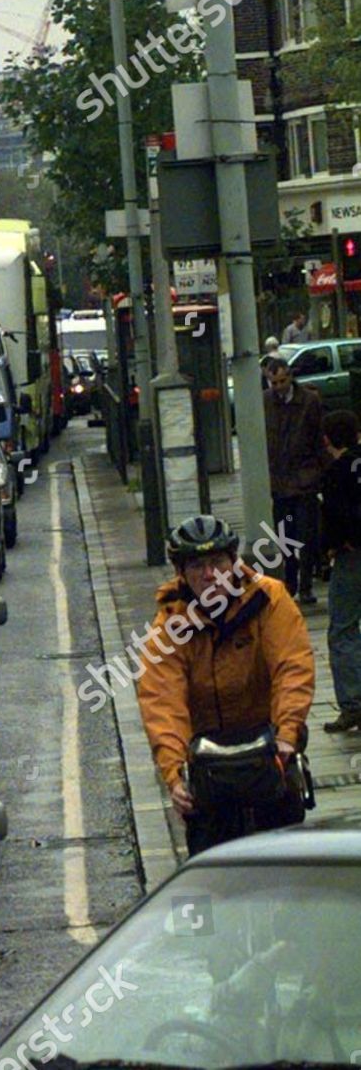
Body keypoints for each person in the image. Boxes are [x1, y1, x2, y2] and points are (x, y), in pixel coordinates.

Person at [137, 514, 315, 856]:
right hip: (209, 760)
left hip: (267, 749)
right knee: (210, 872)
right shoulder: (170, 625)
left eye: (218, 562)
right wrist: (175, 776)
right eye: (197, 566)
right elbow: (161, 701)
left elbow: (293, 667)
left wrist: (287, 736)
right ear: (181, 573)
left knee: (287, 863)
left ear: (234, 562)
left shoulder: (269, 598)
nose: (209, 575)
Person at [264, 357, 325, 604]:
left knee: (306, 534)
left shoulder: (309, 402)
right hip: (280, 484)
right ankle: (290, 582)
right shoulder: (266, 402)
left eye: (282, 380)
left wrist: (318, 475)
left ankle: (306, 584)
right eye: (274, 382)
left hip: (304, 482)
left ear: (290, 376)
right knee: (285, 534)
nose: (279, 386)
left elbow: (318, 438)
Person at [320, 409, 361, 732]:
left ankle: (353, 704)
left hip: (352, 557)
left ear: (327, 440)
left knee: (343, 629)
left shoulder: (336, 473)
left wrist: (332, 547)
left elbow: (333, 519)